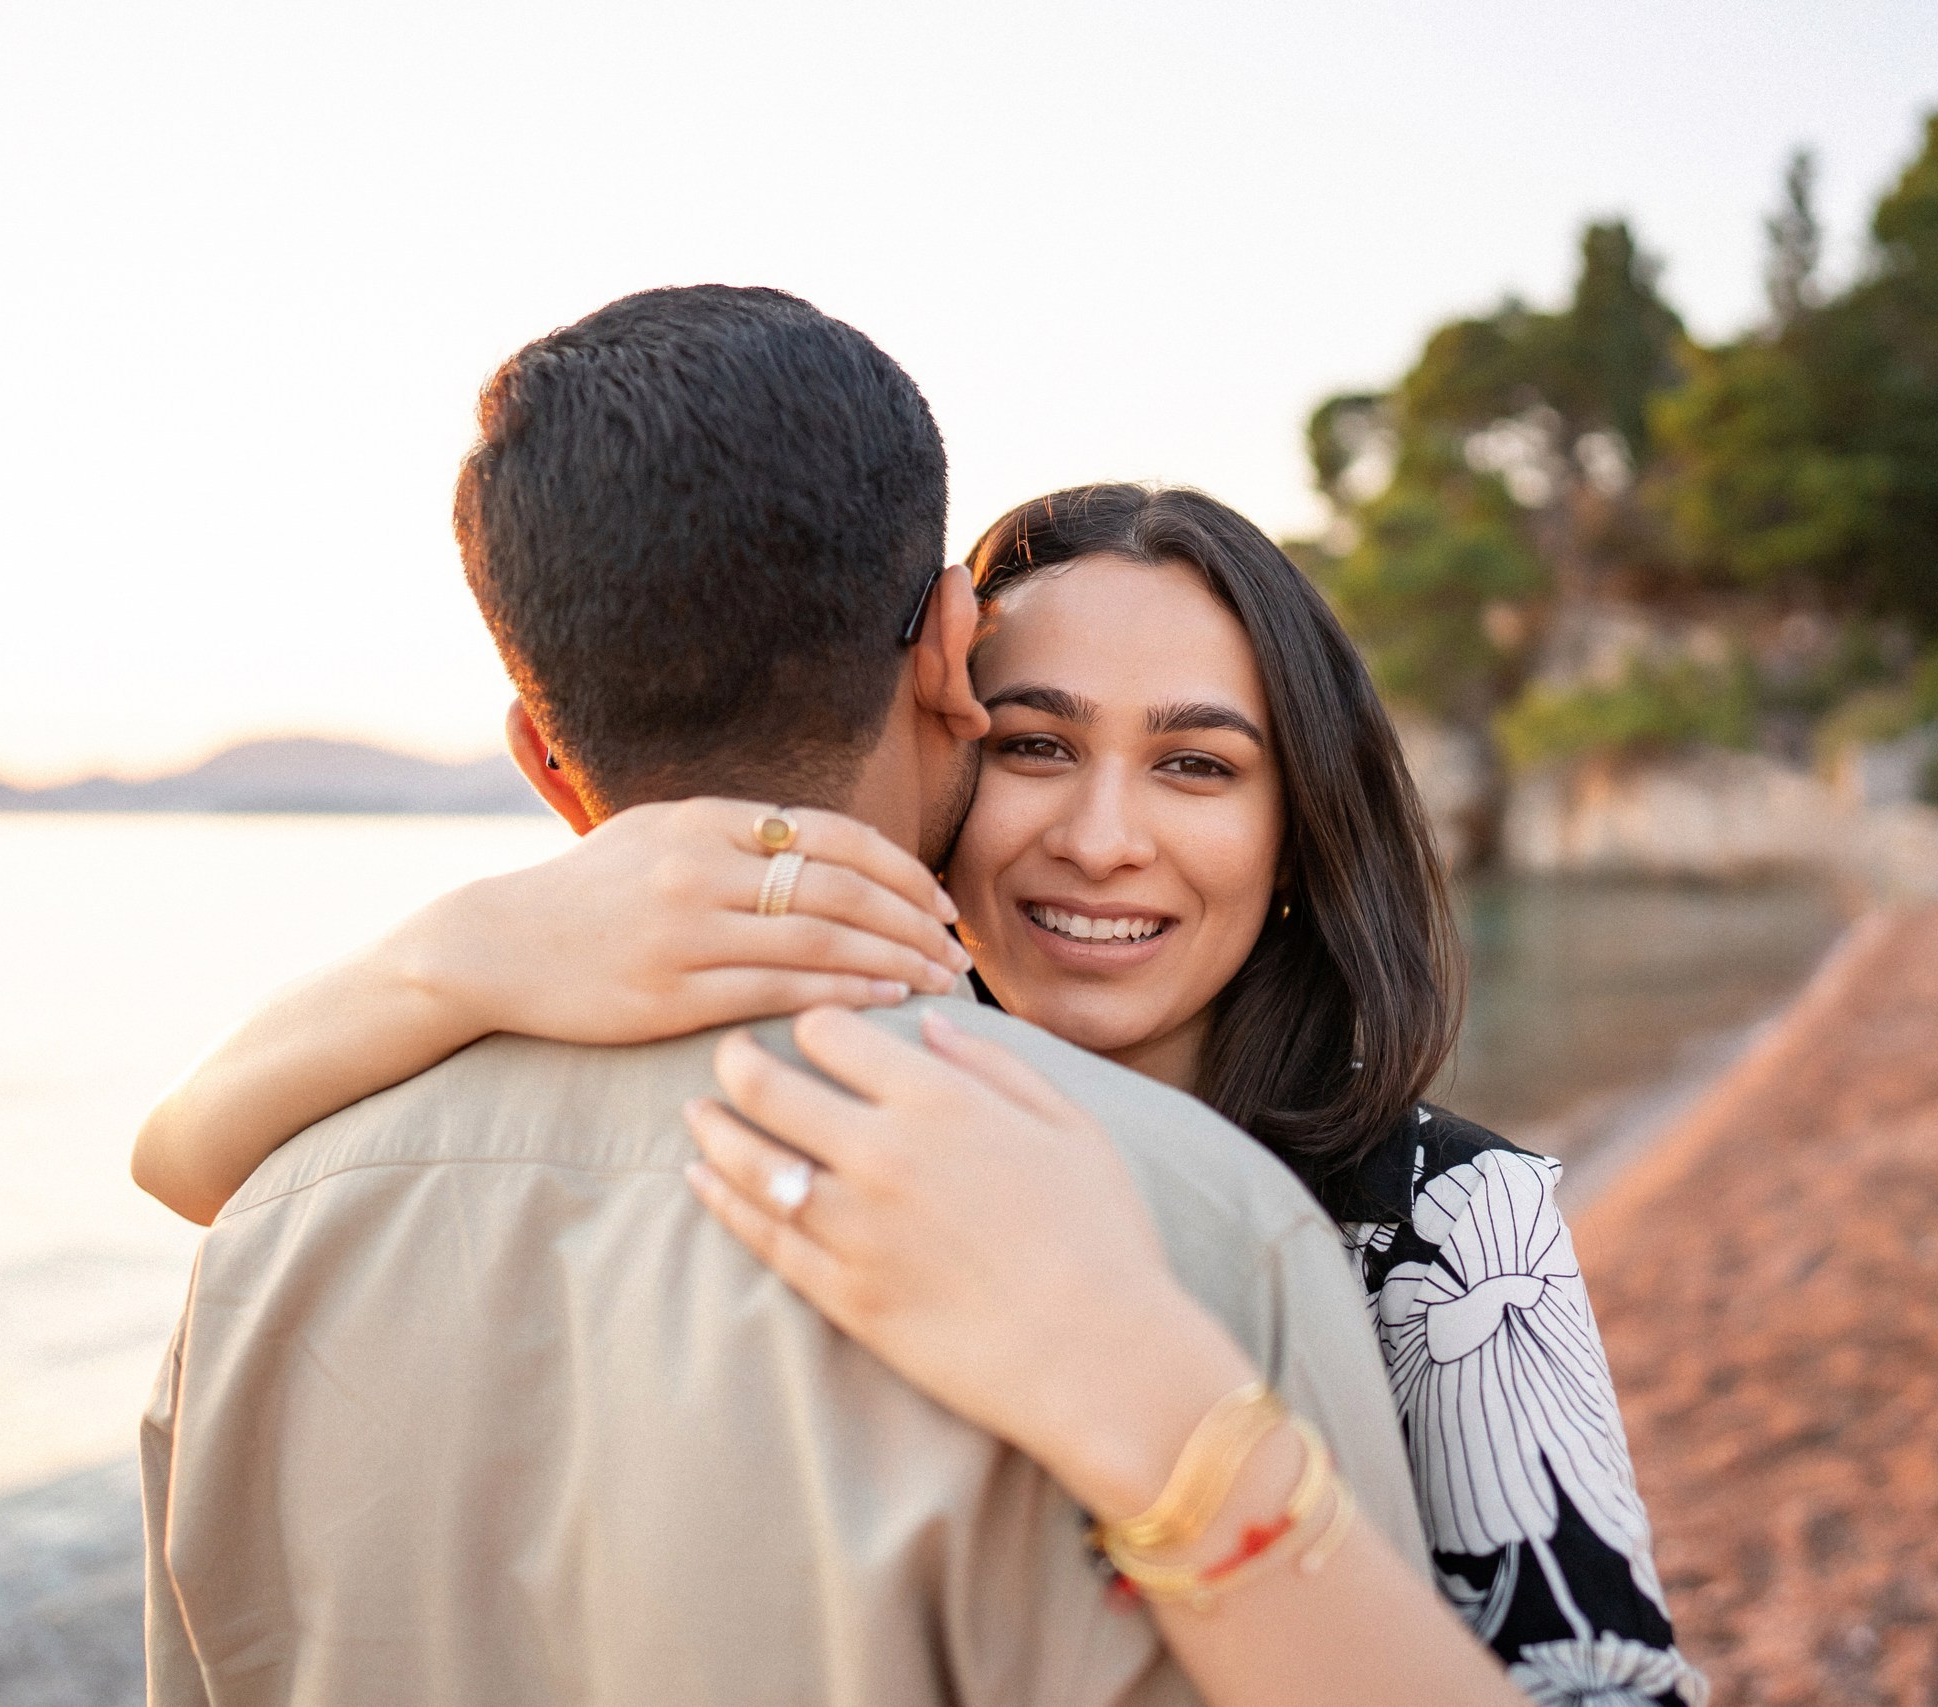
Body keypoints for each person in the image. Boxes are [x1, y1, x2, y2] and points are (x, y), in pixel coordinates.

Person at [138, 287, 1519, 1707]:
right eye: (1040, 739)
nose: (1103, 838)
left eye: (1195, 765)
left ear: (542, 760)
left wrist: (445, 955)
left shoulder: (265, 1242)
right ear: (946, 662)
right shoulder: (1200, 1233)